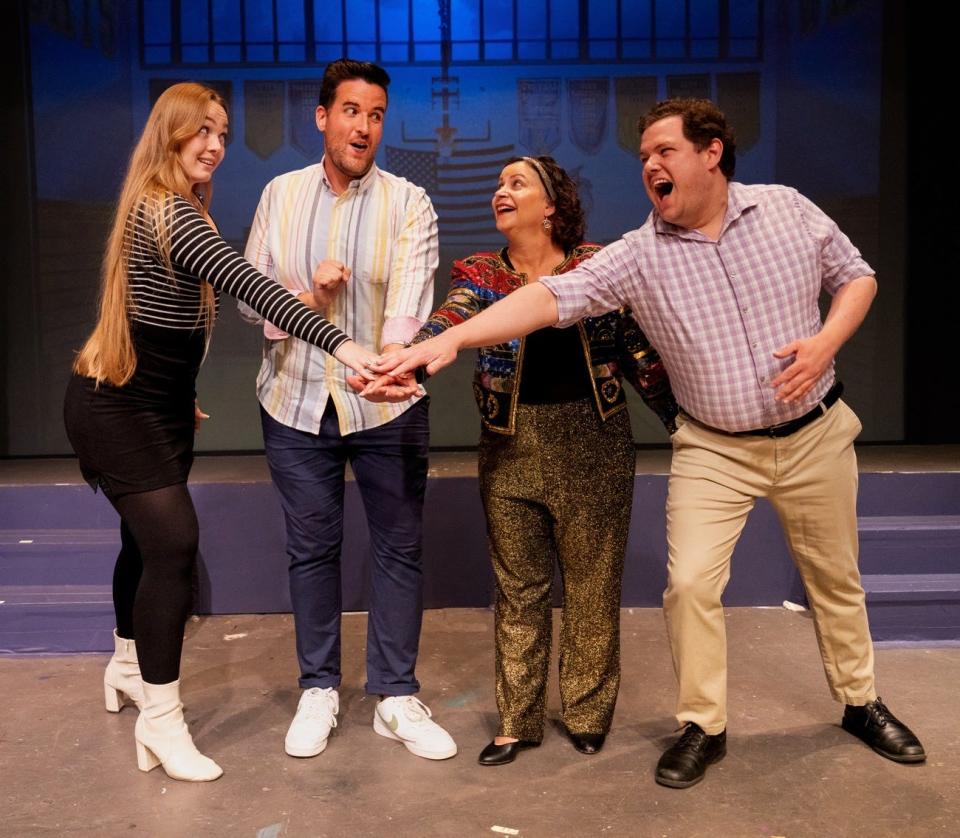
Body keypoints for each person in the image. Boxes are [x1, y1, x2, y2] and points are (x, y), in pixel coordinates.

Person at [369, 98, 926, 786]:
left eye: (664, 152)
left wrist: (828, 341)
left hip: (814, 433)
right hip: (714, 447)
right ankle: (704, 724)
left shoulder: (785, 207)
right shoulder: (635, 256)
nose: (651, 167)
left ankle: (861, 702)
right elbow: (548, 299)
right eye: (643, 160)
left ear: (712, 152)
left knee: (835, 580)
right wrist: (447, 339)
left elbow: (858, 276)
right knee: (689, 584)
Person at [64, 82, 376, 783]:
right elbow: (250, 284)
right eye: (199, 131)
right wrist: (345, 346)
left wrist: (181, 393)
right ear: (169, 135)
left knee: (141, 543)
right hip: (114, 409)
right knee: (174, 545)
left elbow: (166, 324)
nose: (214, 145)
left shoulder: (176, 206)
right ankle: (161, 721)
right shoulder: (167, 211)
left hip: (159, 406)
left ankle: (124, 665)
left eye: (223, 133)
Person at [362, 156, 677, 765]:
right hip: (509, 444)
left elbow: (639, 355)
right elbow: (449, 321)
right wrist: (405, 363)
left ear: (551, 204)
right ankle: (517, 721)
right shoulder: (480, 273)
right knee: (518, 589)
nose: (499, 192)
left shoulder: (598, 267)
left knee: (591, 586)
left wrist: (682, 425)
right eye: (498, 183)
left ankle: (587, 713)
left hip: (595, 441)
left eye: (516, 184)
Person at [238, 59, 456, 762]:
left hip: (385, 404)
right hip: (295, 399)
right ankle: (319, 689)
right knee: (312, 550)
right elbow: (249, 299)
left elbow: (409, 303)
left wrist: (391, 366)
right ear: (323, 116)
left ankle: (394, 694)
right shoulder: (280, 193)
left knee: (398, 546)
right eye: (353, 110)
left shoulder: (409, 201)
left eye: (378, 114)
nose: (365, 126)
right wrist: (311, 296)